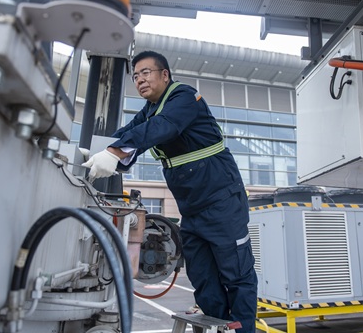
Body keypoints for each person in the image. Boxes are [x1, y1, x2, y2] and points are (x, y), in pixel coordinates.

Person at [82, 50, 258, 333]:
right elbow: (130, 130)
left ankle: (242, 330)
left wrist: (115, 153)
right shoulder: (150, 109)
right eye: (135, 76)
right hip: (192, 208)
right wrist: (96, 151)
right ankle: (220, 327)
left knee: (235, 273)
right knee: (203, 277)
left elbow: (163, 127)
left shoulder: (183, 97)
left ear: (165, 75)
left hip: (222, 201)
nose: (140, 80)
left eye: (146, 73)